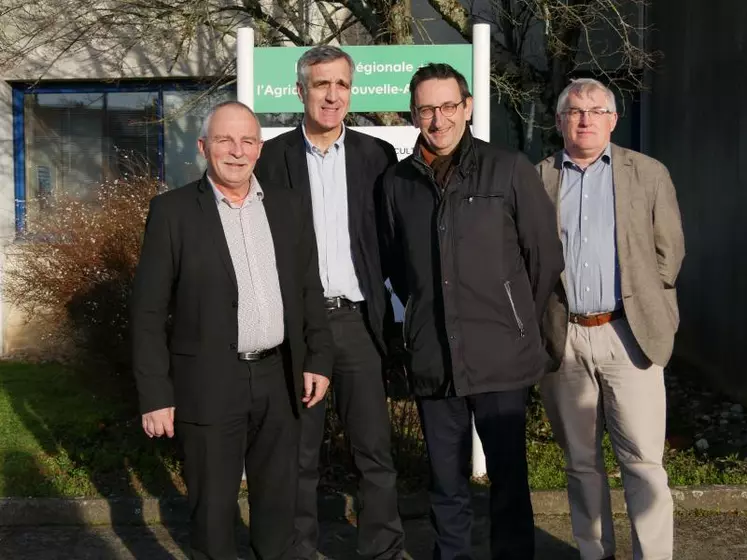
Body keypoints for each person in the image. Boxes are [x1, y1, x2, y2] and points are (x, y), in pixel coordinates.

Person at [131, 101, 333, 560]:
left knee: (279, 505)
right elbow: (147, 313)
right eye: (225, 140)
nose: (236, 151)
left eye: (247, 141)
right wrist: (156, 395)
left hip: (279, 378)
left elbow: (307, 289)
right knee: (212, 511)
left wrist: (319, 358)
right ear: (204, 147)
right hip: (208, 380)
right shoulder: (172, 212)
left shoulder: (287, 205)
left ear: (260, 148)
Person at [379, 63, 564, 560]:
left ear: (467, 107)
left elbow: (543, 258)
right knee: (446, 483)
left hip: (500, 355)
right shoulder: (398, 181)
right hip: (435, 358)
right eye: (426, 109)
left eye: (447, 106)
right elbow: (398, 265)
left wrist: (514, 316)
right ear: (413, 114)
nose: (437, 120)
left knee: (507, 481)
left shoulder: (507, 169)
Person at [254, 46, 404, 560]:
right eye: (321, 85)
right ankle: (299, 551)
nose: (332, 95)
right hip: (298, 328)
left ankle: (381, 550)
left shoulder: (376, 155)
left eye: (341, 85)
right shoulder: (270, 160)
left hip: (359, 322)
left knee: (374, 452)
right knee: (299, 454)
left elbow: (390, 238)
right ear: (301, 91)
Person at [538, 78, 685, 560]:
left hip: (629, 334)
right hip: (564, 335)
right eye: (575, 111)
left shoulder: (647, 173)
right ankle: (594, 552)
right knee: (580, 462)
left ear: (613, 119)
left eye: (596, 111)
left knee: (642, 461)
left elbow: (669, 254)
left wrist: (647, 300)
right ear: (559, 121)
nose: (585, 119)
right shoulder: (539, 177)